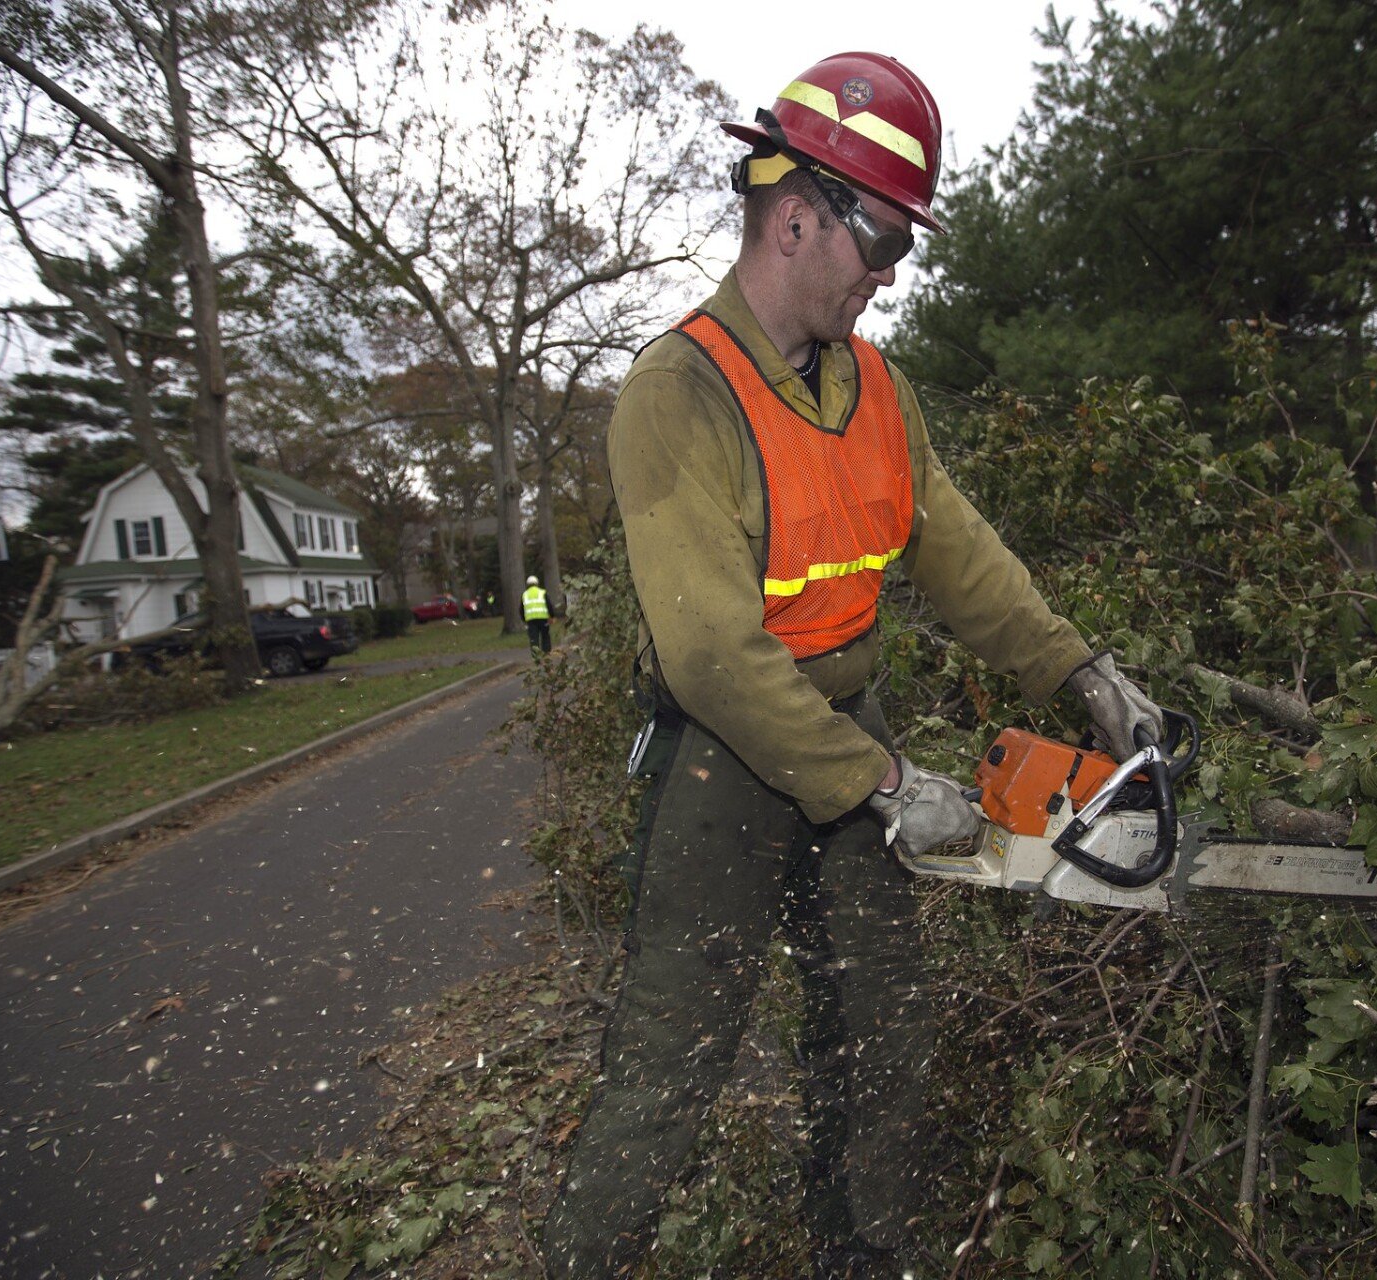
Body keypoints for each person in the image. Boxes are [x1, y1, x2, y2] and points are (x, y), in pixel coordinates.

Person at [539, 51, 1164, 1278]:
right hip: (727, 752)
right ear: (794, 215)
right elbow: (715, 653)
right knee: (674, 1055)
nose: (889, 276)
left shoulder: (877, 384)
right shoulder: (679, 391)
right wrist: (881, 782)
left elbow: (957, 549)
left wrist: (1079, 666)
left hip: (848, 712)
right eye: (883, 244)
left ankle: (863, 1250)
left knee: (881, 1022)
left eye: (902, 251)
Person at [522, 575, 552, 653]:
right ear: (537, 583)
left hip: (530, 620)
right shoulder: (542, 592)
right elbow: (549, 605)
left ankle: (536, 655)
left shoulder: (525, 595)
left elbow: (521, 609)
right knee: (545, 636)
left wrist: (524, 619)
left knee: (533, 638)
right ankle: (546, 653)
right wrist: (552, 616)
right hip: (542, 618)